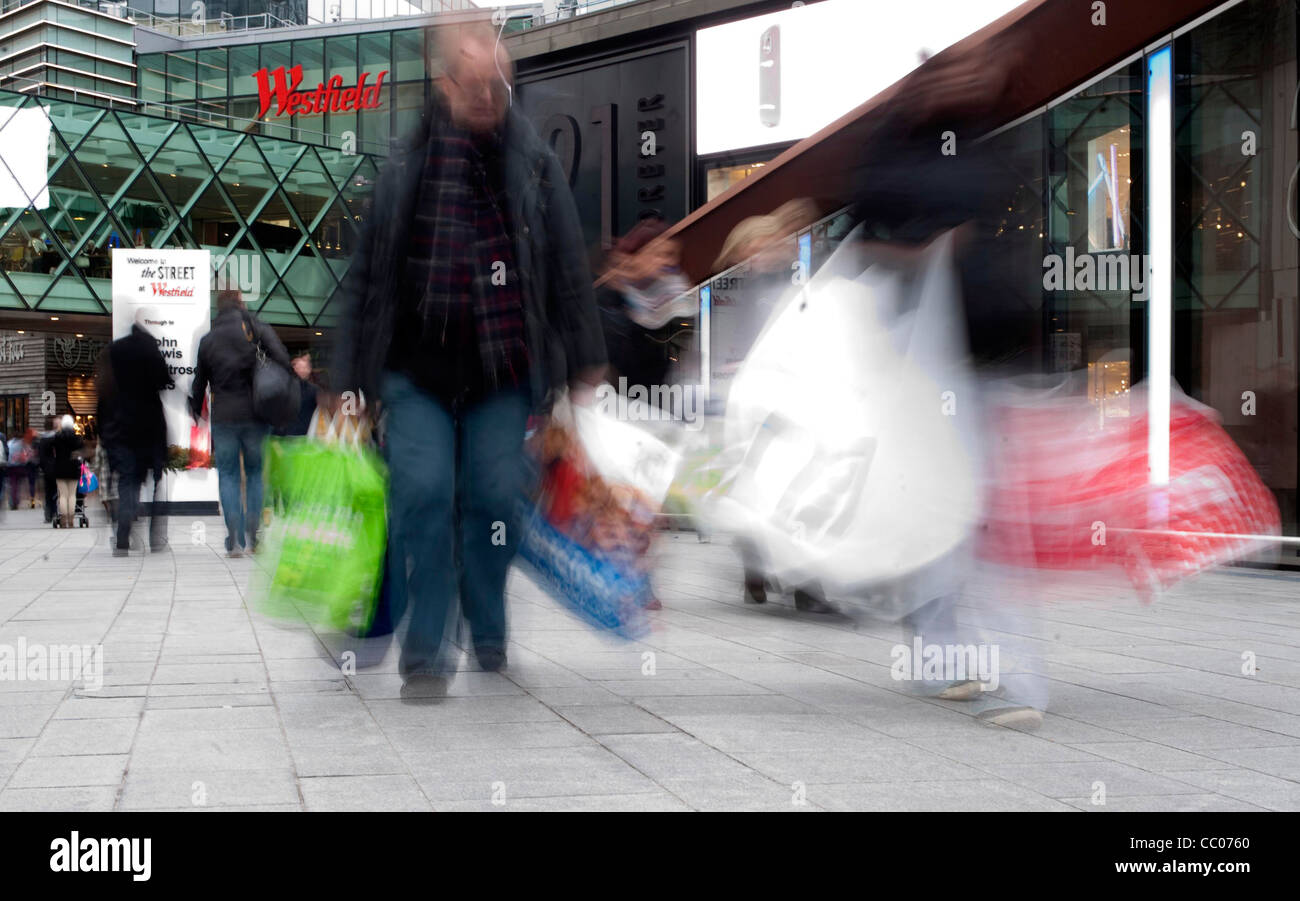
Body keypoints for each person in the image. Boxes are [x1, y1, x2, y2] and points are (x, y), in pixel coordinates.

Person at [332, 22, 606, 700]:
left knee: (493, 498)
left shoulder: (533, 159)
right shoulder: (406, 161)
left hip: (503, 369)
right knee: (422, 492)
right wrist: (344, 379)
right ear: (443, 80)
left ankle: (486, 616)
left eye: (499, 81)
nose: (490, 94)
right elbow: (367, 278)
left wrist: (586, 361)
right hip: (417, 368)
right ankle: (426, 652)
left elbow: (567, 266)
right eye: (475, 81)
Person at [189, 289, 292, 556]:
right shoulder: (256, 329)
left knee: (229, 474)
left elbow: (199, 382)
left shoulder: (208, 340)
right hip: (256, 414)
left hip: (224, 415)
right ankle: (254, 533)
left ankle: (233, 533)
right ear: (240, 303)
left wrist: (195, 409)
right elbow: (282, 359)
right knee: (256, 473)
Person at [103, 313, 172, 556]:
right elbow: (165, 380)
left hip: (120, 428)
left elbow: (104, 392)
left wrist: (104, 432)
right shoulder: (150, 348)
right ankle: (154, 536)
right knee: (150, 480)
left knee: (127, 481)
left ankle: (122, 535)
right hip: (148, 428)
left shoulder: (115, 351)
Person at [274, 352, 321, 438]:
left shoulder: (314, 390)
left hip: (298, 434)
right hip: (294, 433)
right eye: (301, 367)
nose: (304, 370)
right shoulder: (281, 386)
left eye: (306, 367)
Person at [51, 415, 83, 528]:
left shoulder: (57, 437)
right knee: (72, 495)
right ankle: (71, 520)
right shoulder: (77, 438)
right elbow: (81, 449)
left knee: (63, 495)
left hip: (60, 468)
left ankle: (63, 520)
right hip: (73, 468)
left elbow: (51, 448)